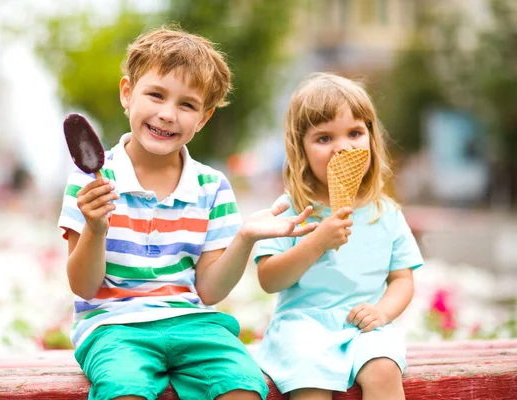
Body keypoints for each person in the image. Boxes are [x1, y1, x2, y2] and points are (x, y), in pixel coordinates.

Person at [58, 27, 317, 400]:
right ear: (127, 93)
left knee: (243, 385)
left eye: (187, 104)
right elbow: (83, 286)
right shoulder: (90, 182)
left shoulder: (212, 188)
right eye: (156, 95)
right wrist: (96, 228)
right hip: (113, 327)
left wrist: (244, 238)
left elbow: (209, 291)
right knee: (123, 389)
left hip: (194, 324)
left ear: (204, 117)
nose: (167, 115)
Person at [253, 72, 423, 400]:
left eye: (354, 133)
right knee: (310, 378)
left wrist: (383, 312)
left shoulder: (384, 212)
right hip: (302, 325)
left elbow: (403, 278)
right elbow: (269, 279)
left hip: (364, 325)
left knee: (384, 369)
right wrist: (317, 242)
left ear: (371, 139)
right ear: (300, 148)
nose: (342, 147)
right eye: (324, 138)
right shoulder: (291, 210)